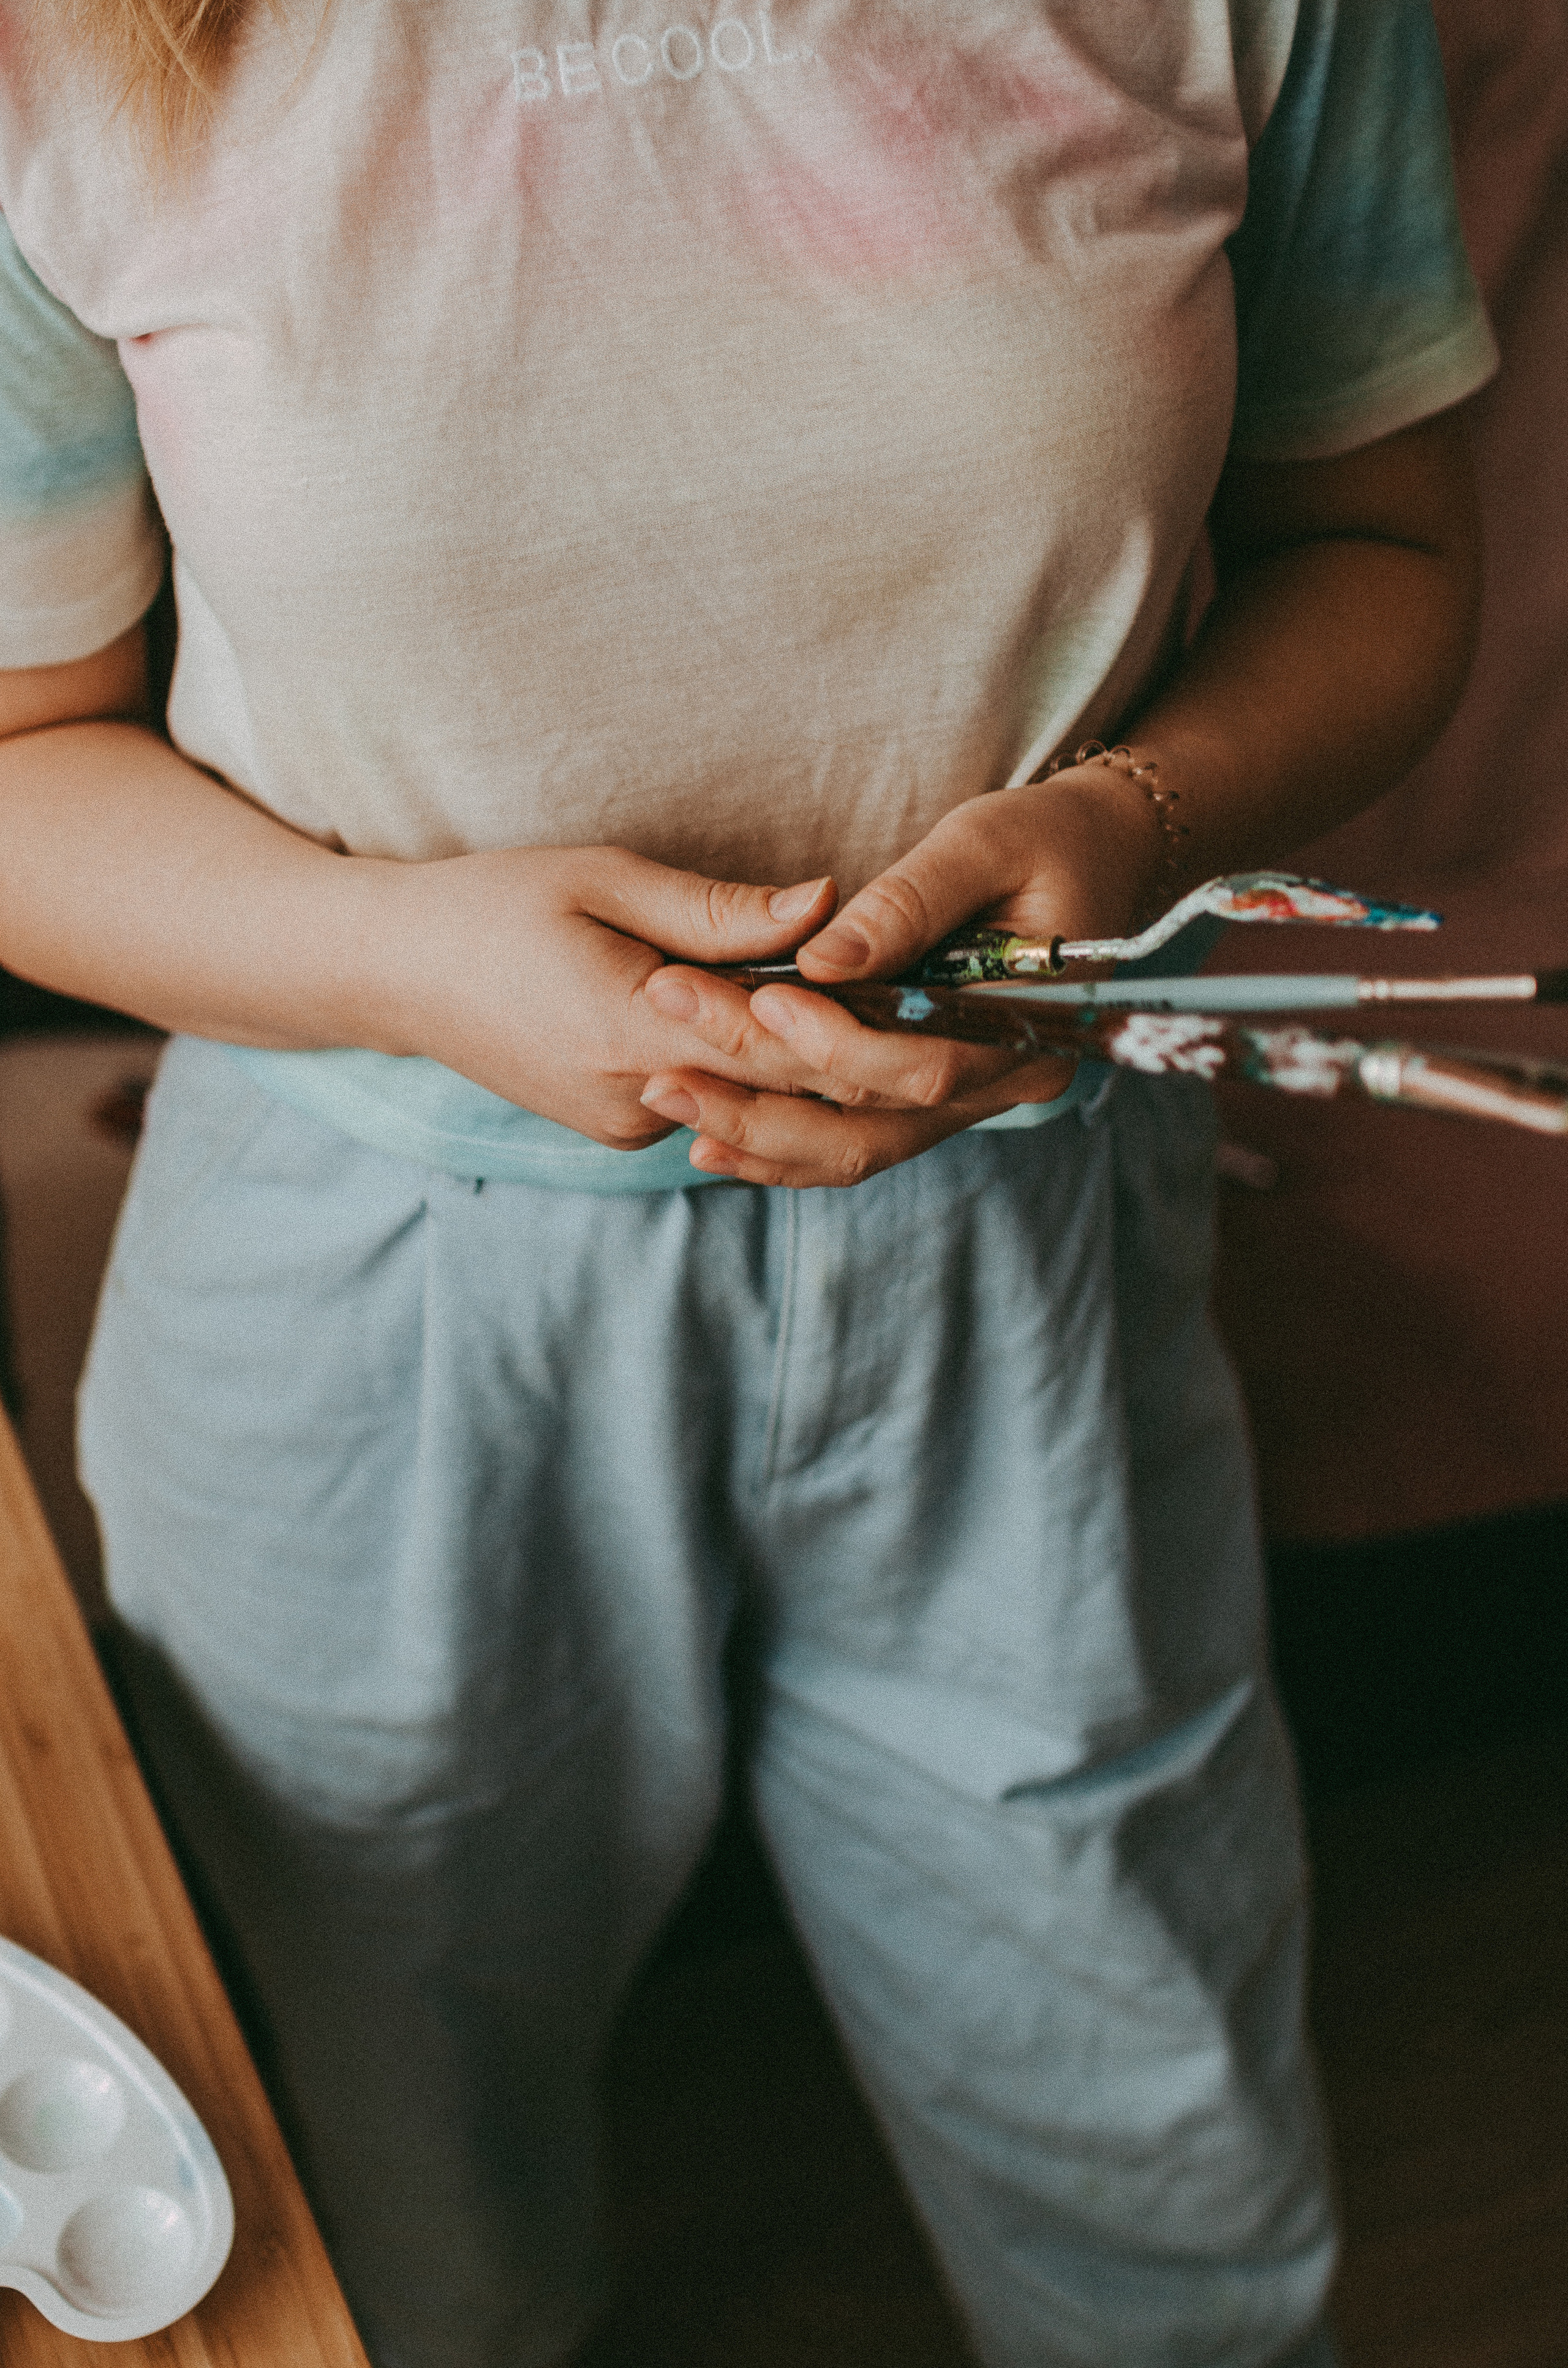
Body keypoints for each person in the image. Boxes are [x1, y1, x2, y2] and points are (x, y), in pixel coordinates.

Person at [0, 4, 1492, 2363]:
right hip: (366, 1303)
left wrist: (1142, 821)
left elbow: (1384, 541)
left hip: (1036, 1247)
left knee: (1168, 2191)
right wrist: (393, 952)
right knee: (406, 2243)